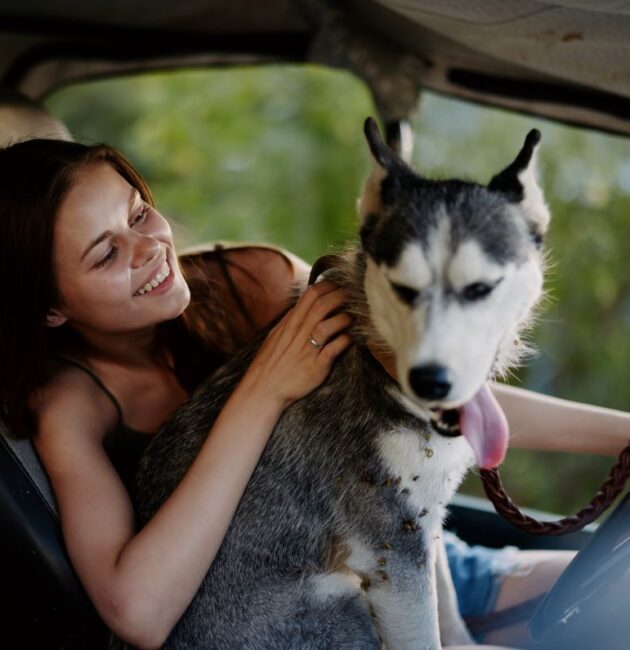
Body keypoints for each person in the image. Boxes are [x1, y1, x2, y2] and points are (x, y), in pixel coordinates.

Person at [1, 137, 628, 650]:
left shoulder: (255, 280)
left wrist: (623, 431)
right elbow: (137, 614)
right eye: (107, 252)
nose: (150, 249)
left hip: (425, 547)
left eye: (139, 213)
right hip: (298, 602)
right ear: (50, 305)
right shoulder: (69, 405)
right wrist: (262, 390)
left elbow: (435, 392)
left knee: (614, 602)